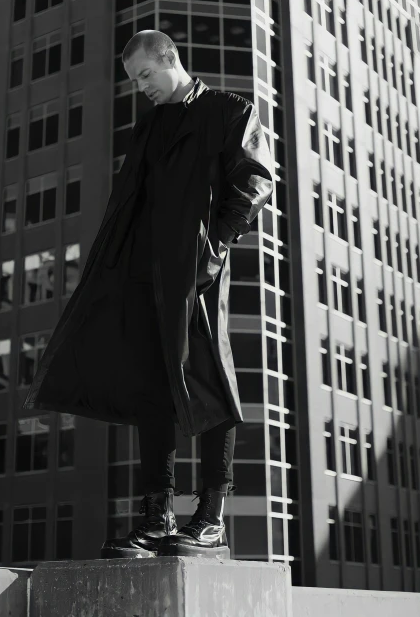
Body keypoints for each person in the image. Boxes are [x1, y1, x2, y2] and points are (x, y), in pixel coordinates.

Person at [22, 30, 274, 560]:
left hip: (196, 270)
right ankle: (157, 517)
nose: (142, 88)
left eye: (145, 76)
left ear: (170, 60)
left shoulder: (229, 111)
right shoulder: (150, 123)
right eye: (135, 81)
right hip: (141, 271)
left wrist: (214, 249)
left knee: (208, 381)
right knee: (148, 390)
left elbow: (254, 182)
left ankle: (210, 519)